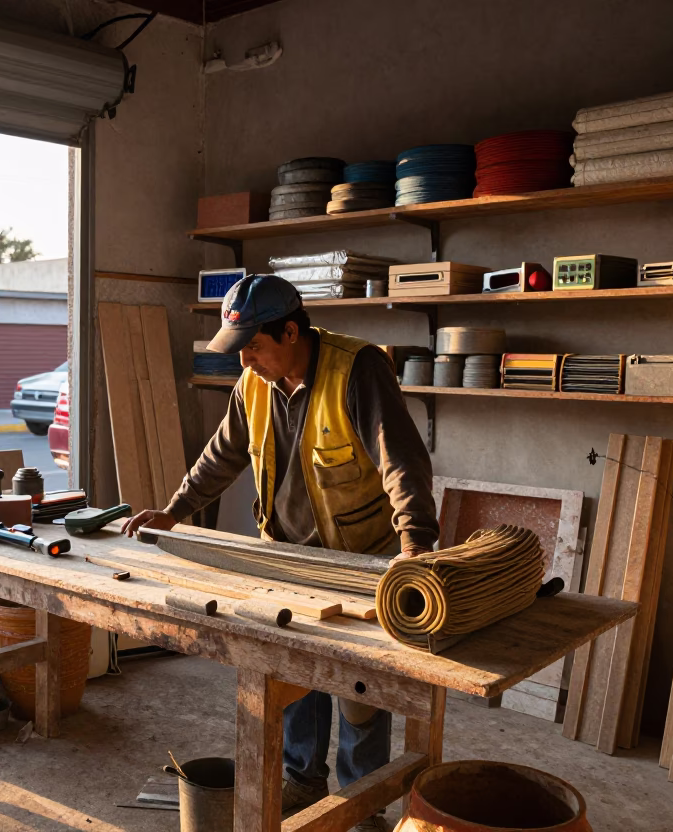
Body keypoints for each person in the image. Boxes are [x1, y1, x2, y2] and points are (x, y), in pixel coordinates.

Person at [122, 274, 438, 832]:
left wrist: (415, 548)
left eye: (253, 348)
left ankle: (363, 807)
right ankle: (302, 780)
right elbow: (222, 457)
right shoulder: (254, 387)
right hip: (286, 558)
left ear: (291, 331)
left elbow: (402, 462)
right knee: (291, 677)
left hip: (358, 561)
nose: (245, 362)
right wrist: (174, 511)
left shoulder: (358, 369)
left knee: (359, 690)